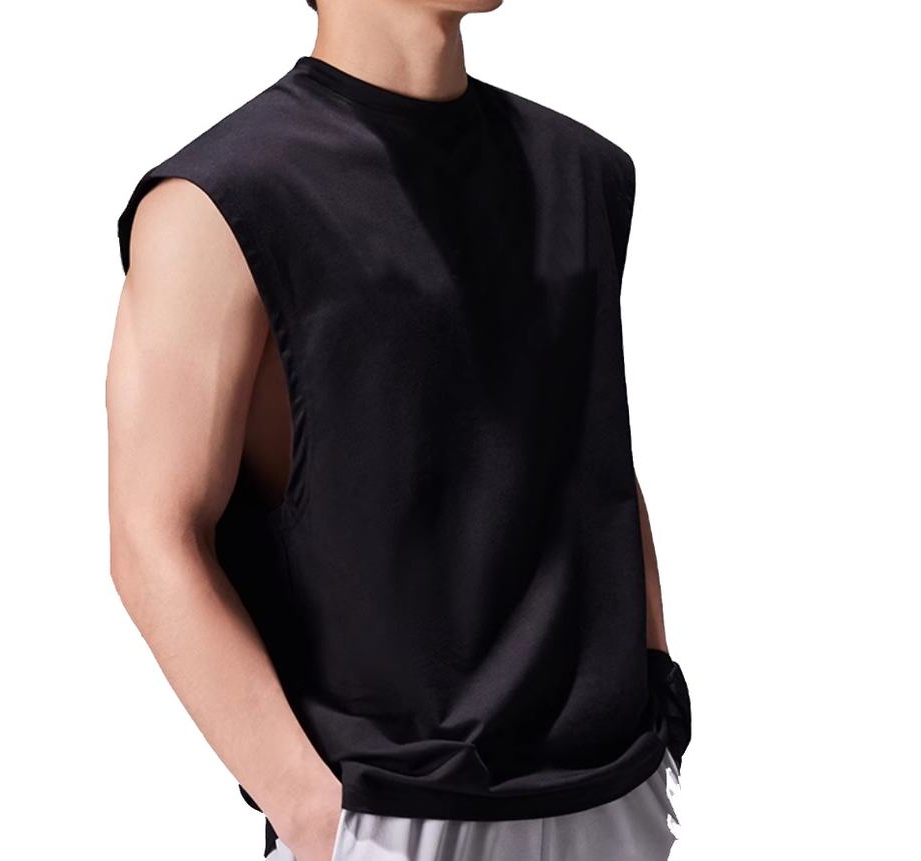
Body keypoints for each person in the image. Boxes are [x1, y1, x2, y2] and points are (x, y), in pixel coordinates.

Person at [106, 1, 693, 859]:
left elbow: (593, 450)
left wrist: (659, 701)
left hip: (614, 793)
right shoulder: (220, 201)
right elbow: (152, 537)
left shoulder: (582, 171)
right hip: (392, 810)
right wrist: (317, 816)